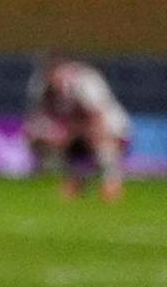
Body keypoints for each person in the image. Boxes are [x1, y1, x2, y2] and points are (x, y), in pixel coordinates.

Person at [24, 54, 130, 203]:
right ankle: (74, 180)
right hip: (71, 126)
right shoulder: (40, 85)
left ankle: (111, 182)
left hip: (110, 126)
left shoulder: (86, 81)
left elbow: (97, 119)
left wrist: (72, 135)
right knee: (40, 139)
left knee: (102, 145)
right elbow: (37, 117)